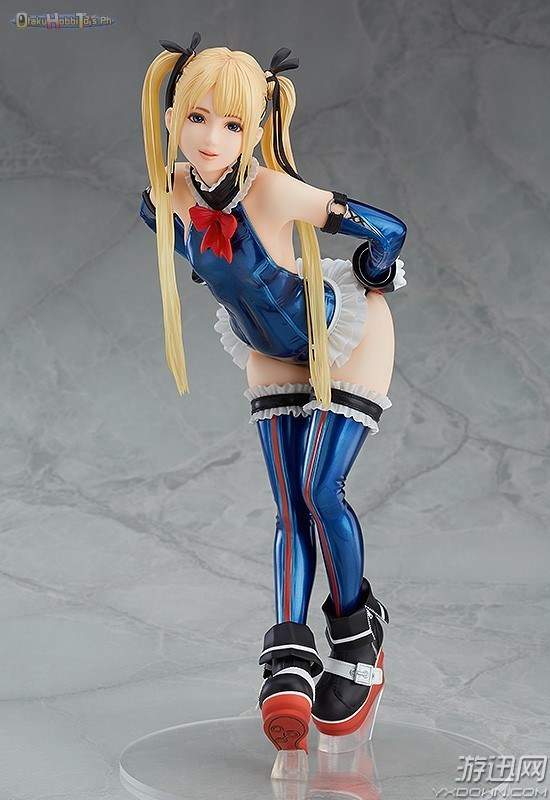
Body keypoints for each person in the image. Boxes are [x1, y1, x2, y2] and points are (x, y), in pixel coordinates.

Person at [139, 33, 408, 754]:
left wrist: (374, 271)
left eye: (232, 125)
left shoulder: (273, 190)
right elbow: (183, 244)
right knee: (288, 506)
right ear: (172, 114)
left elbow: (388, 228)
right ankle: (288, 658)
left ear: (256, 129)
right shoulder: (166, 195)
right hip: (267, 349)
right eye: (198, 117)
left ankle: (357, 629)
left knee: (321, 490)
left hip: (340, 333)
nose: (211, 138)